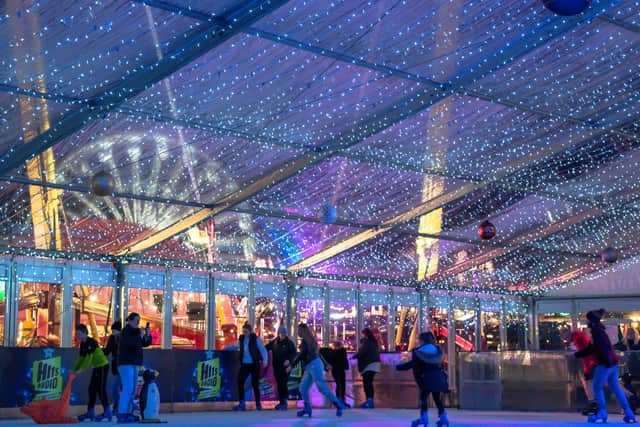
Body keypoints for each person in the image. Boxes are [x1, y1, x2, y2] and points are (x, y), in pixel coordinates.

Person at [574, 309, 636, 424]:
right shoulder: (600, 331)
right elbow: (596, 348)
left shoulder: (596, 332)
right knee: (615, 388)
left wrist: (577, 354)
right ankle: (628, 412)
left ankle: (602, 412)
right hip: (612, 363)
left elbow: (595, 349)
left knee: (597, 387)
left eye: (587, 319)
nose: (586, 321)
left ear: (591, 321)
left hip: (605, 364)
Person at [396, 332, 449, 427]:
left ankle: (424, 418)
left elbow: (412, 364)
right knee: (437, 399)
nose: (418, 341)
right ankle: (443, 418)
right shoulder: (437, 350)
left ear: (422, 340)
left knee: (424, 398)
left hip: (425, 378)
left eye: (419, 340)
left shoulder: (419, 352)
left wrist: (398, 367)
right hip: (437, 377)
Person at [292, 323, 344, 418]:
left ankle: (338, 404)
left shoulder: (306, 342)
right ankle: (307, 408)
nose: (297, 332)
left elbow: (302, 355)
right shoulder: (310, 341)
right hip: (311, 366)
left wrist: (291, 365)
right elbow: (318, 354)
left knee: (322, 388)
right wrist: (326, 364)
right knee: (303, 388)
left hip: (314, 366)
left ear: (302, 331)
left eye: (298, 330)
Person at [117, 313, 152, 424]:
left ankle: (128, 411)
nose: (138, 322)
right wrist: (140, 336)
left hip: (135, 363)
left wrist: (147, 334)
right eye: (137, 320)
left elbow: (145, 343)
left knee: (132, 390)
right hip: (126, 363)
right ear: (130, 320)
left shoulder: (137, 332)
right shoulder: (125, 332)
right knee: (128, 387)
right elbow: (131, 344)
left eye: (139, 320)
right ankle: (122, 413)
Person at [73, 324, 111, 422]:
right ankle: (90, 411)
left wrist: (80, 371)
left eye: (78, 334)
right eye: (76, 334)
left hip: (102, 366)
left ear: (85, 333)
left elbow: (88, 360)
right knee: (92, 389)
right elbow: (81, 359)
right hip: (97, 367)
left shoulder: (91, 342)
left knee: (101, 389)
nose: (77, 336)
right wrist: (74, 370)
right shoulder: (83, 344)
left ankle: (107, 411)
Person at [233, 323, 268, 411]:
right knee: (240, 381)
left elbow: (263, 349)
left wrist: (265, 360)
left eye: (246, 331)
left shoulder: (255, 339)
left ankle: (258, 403)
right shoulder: (241, 339)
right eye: (243, 331)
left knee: (255, 383)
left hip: (254, 364)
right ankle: (242, 402)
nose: (244, 333)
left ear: (250, 331)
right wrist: (226, 348)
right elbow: (235, 346)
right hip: (245, 364)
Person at [265, 325, 296, 410]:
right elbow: (267, 347)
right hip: (276, 366)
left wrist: (289, 361)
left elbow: (293, 353)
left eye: (283, 333)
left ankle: (284, 401)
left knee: (283, 383)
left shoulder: (289, 343)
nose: (282, 335)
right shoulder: (275, 342)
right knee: (279, 383)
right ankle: (281, 401)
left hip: (285, 367)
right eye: (280, 333)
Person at [571, 330, 598, 416]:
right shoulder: (592, 337)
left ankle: (594, 405)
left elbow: (589, 350)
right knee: (591, 383)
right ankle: (594, 405)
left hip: (595, 363)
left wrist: (576, 355)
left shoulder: (580, 338)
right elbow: (589, 349)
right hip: (596, 363)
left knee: (590, 383)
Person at [352, 327, 381, 409]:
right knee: (369, 383)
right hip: (374, 364)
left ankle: (369, 401)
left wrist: (354, 356)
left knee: (367, 383)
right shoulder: (373, 342)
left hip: (369, 365)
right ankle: (370, 401)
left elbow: (362, 352)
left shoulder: (367, 342)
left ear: (364, 334)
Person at [320, 341, 350, 408]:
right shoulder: (342, 351)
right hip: (340, 369)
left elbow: (324, 354)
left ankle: (339, 400)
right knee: (341, 385)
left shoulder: (331, 353)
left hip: (335, 370)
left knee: (339, 385)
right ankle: (341, 400)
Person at [103, 321, 122, 414]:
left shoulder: (123, 338)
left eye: (114, 330)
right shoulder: (112, 338)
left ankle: (120, 406)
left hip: (123, 365)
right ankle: (117, 406)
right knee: (117, 388)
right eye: (112, 330)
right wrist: (101, 351)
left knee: (119, 388)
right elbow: (107, 351)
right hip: (116, 366)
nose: (113, 332)